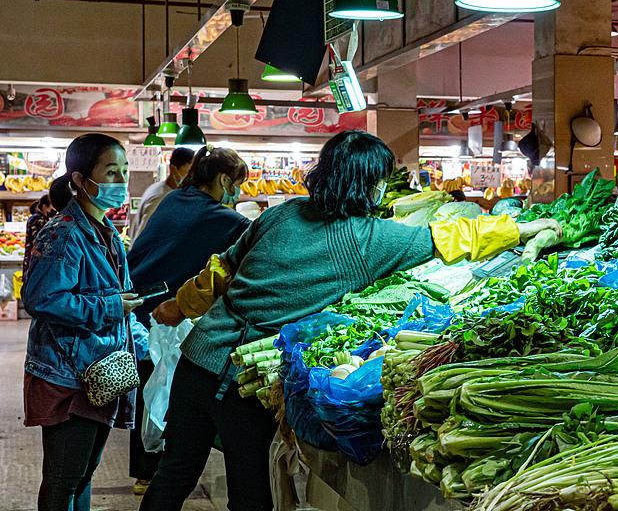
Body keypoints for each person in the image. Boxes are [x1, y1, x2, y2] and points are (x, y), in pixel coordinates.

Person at [140, 131, 560, 511]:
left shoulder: (280, 215)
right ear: (369, 183)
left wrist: (178, 307)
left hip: (197, 359)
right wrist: (521, 230)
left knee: (174, 473)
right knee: (250, 495)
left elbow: (220, 271)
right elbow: (450, 239)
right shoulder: (371, 239)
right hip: (241, 384)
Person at [21, 133, 149, 511]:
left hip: (100, 370)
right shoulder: (64, 234)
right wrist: (110, 307)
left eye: (123, 171)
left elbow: (120, 298)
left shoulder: (108, 233)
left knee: (83, 475)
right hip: (66, 375)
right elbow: (42, 299)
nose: (120, 182)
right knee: (64, 478)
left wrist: (142, 341)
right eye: (110, 172)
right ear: (79, 179)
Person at [125, 145, 251, 495]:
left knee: (151, 389)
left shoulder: (175, 200)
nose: (238, 192)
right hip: (160, 308)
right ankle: (155, 470)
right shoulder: (221, 217)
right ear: (224, 180)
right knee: (161, 391)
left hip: (140, 299)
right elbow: (253, 238)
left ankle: (147, 471)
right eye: (238, 183)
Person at [130, 147, 196, 240]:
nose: (191, 178)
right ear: (173, 169)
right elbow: (143, 237)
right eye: (188, 173)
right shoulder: (161, 197)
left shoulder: (163, 189)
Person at [23, 194, 56, 274]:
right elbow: (38, 242)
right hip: (35, 261)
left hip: (33, 260)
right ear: (44, 206)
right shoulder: (37, 219)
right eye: (52, 207)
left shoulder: (40, 218)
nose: (54, 210)